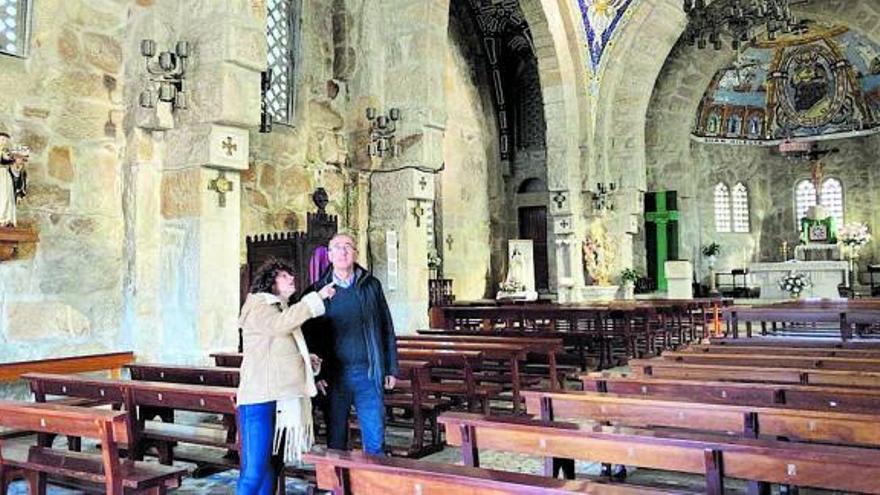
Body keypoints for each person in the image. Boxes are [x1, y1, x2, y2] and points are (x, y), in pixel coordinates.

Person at [237, 259, 336, 495]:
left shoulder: (279, 307)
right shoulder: (260, 304)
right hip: (259, 398)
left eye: (291, 275)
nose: (291, 279)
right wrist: (316, 298)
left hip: (278, 396)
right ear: (270, 282)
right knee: (254, 470)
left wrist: (305, 358)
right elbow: (280, 326)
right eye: (283, 276)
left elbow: (276, 348)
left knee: (273, 465)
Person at [304, 232, 399, 455]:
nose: (343, 251)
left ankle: (372, 485)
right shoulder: (316, 291)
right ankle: (337, 487)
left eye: (348, 246)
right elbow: (308, 339)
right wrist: (316, 376)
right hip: (334, 377)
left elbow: (386, 327)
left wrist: (391, 368)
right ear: (329, 255)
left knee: (375, 439)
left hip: (369, 373)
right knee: (336, 440)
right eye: (337, 247)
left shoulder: (371, 286)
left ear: (355, 253)